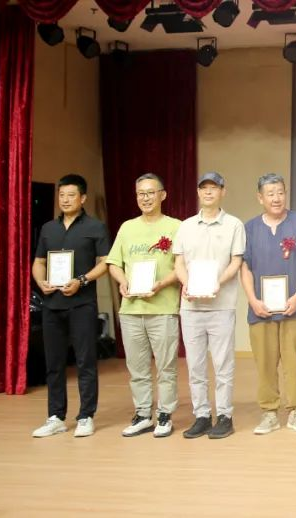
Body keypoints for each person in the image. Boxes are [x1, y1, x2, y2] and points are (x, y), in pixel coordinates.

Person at [31, 174, 110, 438]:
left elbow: (105, 262)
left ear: (82, 198)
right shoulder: (48, 228)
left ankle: (86, 415)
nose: (65, 200)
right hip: (51, 304)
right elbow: (39, 262)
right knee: (54, 363)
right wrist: (40, 281)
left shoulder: (96, 227)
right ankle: (56, 416)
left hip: (82, 304)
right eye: (62, 195)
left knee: (85, 361)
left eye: (71, 195)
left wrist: (82, 280)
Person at [106, 173, 183, 438]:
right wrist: (122, 281)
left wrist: (161, 284)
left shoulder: (176, 227)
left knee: (166, 367)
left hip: (163, 309)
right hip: (131, 309)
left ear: (163, 195)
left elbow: (182, 266)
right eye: (141, 193)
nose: (145, 198)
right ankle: (142, 414)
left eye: (150, 193)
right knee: (137, 368)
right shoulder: (127, 227)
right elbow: (114, 263)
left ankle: (165, 414)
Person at [173, 172, 245, 439]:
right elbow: (179, 263)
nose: (208, 192)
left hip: (221, 305)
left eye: (214, 188)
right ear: (198, 192)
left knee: (223, 364)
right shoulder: (186, 226)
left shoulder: (234, 225)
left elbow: (236, 262)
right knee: (195, 365)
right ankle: (201, 415)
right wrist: (187, 284)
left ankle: (224, 415)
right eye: (204, 188)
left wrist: (217, 282)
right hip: (191, 307)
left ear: (223, 192)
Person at [240, 173, 296, 435]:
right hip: (261, 309)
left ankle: (295, 410)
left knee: (294, 362)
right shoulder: (249, 228)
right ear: (260, 198)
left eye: (280, 192)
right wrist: (252, 300)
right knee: (265, 363)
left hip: (295, 307)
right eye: (270, 194)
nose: (276, 198)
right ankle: (269, 412)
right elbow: (245, 267)